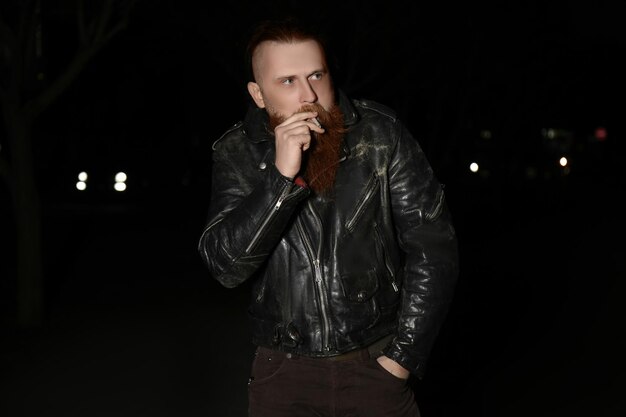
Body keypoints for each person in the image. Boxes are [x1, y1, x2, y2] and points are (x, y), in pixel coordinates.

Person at [197, 16, 459, 417]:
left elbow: (434, 248)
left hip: (376, 365)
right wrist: (279, 180)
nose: (309, 95)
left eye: (316, 75)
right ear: (258, 94)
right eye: (287, 81)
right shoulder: (236, 152)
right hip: (283, 374)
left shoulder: (381, 133)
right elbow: (226, 266)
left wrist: (402, 358)